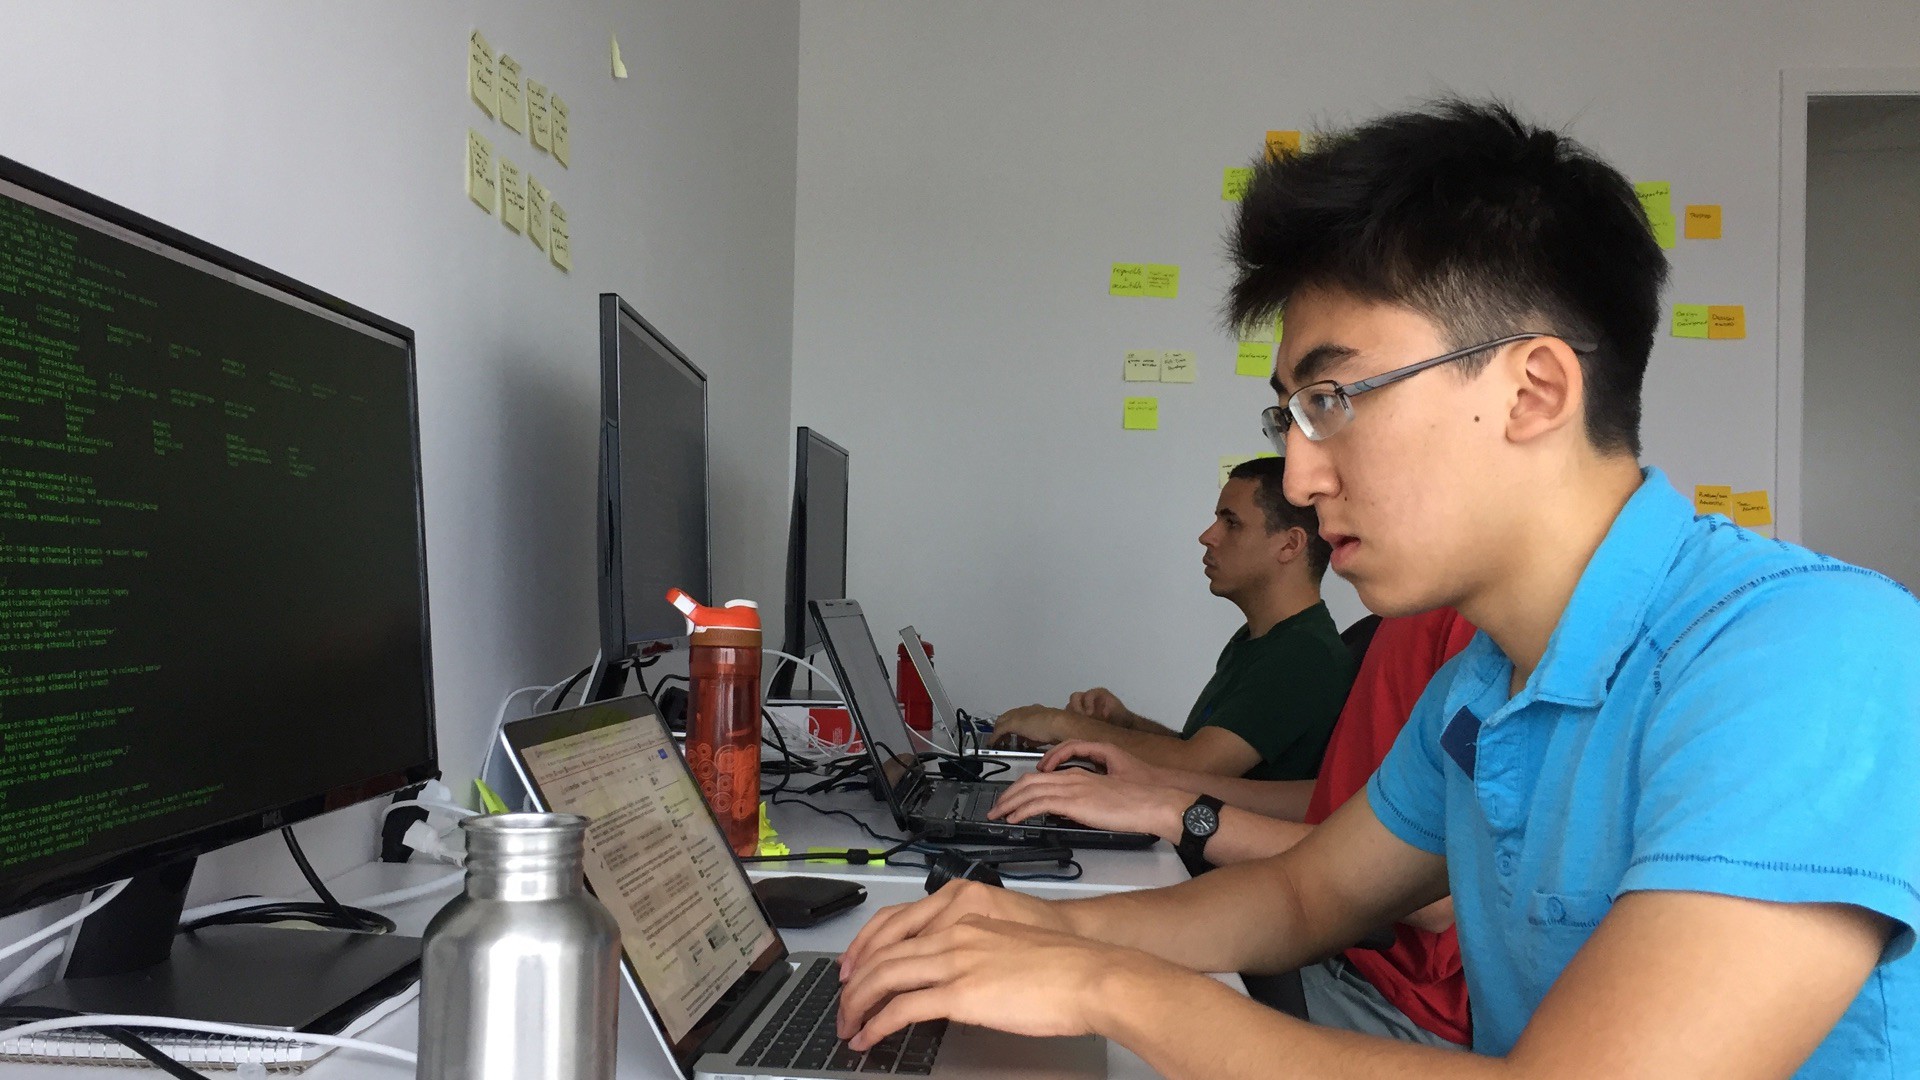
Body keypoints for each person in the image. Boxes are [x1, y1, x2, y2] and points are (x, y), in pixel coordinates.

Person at [833, 99, 1920, 1077]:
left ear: (1534, 389)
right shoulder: (1481, 691)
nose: (1302, 477)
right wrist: (1025, 930)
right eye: (1289, 419)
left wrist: (1099, 987)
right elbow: (1304, 896)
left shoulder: (1809, 654)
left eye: (1334, 400)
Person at [990, 608, 1479, 1049]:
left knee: (1087, 1028)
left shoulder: (1471, 642)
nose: (1309, 500)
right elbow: (1339, 806)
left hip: (1392, 1000)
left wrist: (1177, 810)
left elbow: (1428, 895)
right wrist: (1155, 787)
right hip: (1329, 946)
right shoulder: (1411, 629)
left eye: (1231, 521)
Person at [989, 457, 1356, 780]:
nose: (1207, 536)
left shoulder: (1302, 656)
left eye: (1231, 523)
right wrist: (1127, 724)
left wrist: (1062, 725)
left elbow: (1196, 766)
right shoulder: (1261, 640)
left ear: (1290, 545)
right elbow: (1197, 750)